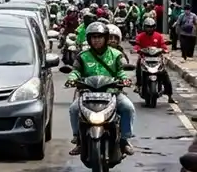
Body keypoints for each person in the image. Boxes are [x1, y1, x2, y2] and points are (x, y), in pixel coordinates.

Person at [66, 22, 136, 156]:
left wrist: (124, 79)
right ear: (89, 39)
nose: (96, 40)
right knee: (74, 109)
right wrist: (72, 78)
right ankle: (78, 140)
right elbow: (76, 71)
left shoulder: (116, 55)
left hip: (112, 93)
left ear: (105, 38)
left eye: (99, 37)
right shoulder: (82, 56)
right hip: (88, 94)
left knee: (128, 108)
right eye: (93, 37)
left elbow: (121, 71)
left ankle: (125, 140)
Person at [132, 18, 172, 102]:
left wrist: (165, 50)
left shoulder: (158, 36)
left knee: (165, 74)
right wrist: (136, 50)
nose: (150, 29)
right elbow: (137, 45)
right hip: (144, 58)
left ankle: (169, 96)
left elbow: (163, 45)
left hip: (157, 58)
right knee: (138, 67)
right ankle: (138, 84)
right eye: (148, 27)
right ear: (144, 27)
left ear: (155, 27)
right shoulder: (140, 36)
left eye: (152, 27)